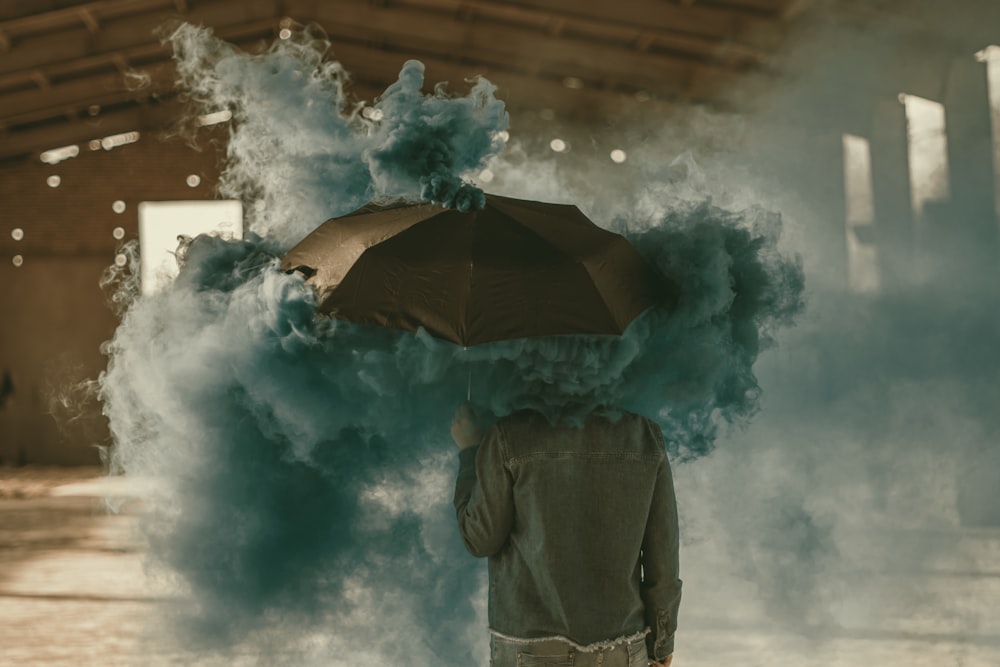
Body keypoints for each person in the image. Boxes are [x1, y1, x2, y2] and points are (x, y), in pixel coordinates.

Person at [452, 402, 681, 667]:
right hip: (622, 646)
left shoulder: (508, 434)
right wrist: (661, 643)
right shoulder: (644, 435)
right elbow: (662, 560)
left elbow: (479, 538)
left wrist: (470, 451)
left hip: (531, 650)